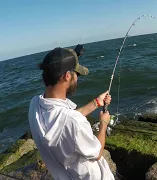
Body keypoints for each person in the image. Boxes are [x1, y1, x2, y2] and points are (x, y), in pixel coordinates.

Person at [28, 47, 115, 180]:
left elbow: (62, 120)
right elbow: (97, 153)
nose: (77, 79)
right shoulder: (73, 121)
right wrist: (103, 124)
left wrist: (96, 102)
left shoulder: (34, 105)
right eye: (77, 74)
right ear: (67, 76)